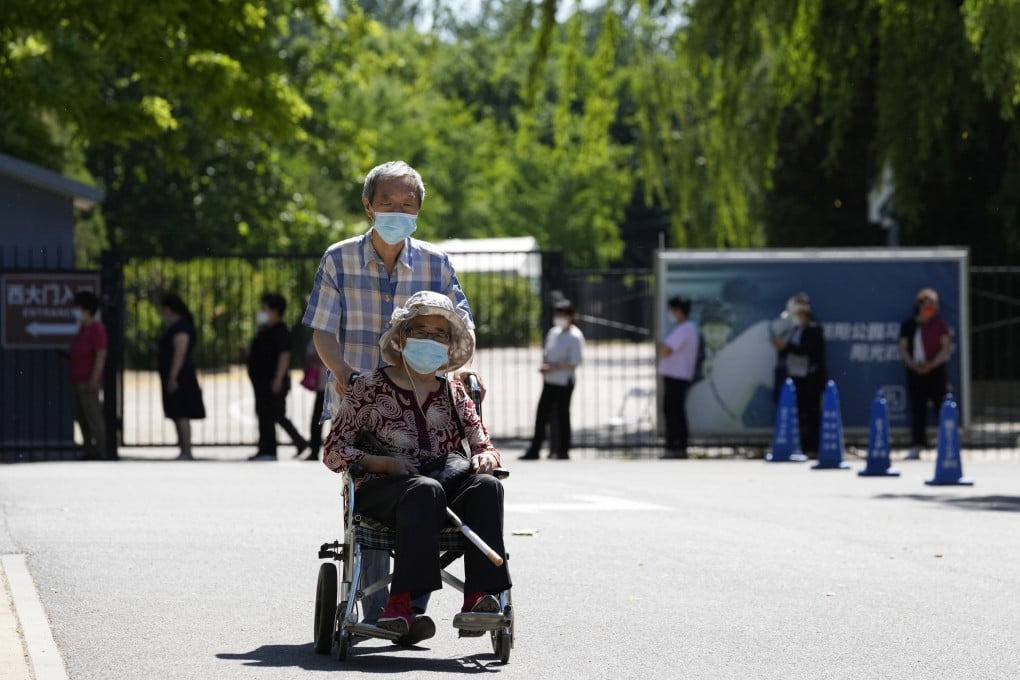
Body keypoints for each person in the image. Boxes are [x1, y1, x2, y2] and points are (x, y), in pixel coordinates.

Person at [302, 160, 479, 642]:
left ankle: (405, 603)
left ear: (419, 210)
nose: (397, 212)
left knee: (426, 486)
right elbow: (323, 327)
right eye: (388, 203)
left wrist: (453, 379)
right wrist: (342, 375)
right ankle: (381, 604)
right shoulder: (338, 259)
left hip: (424, 405)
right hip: (361, 404)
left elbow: (462, 328)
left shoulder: (436, 265)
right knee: (371, 503)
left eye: (408, 205)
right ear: (368, 206)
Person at [322, 291, 510, 637]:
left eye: (441, 334)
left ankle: (481, 597)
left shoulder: (454, 392)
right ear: (402, 336)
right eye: (422, 331)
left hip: (443, 487)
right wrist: (380, 463)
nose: (432, 340)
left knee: (487, 485)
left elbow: (484, 444)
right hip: (385, 493)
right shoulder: (368, 388)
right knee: (424, 490)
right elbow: (333, 451)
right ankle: (402, 605)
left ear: (450, 344)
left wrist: (485, 455)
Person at [520, 299, 584, 460]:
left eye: (562, 314)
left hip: (564, 381)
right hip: (550, 380)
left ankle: (563, 449)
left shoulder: (575, 336)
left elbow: (575, 361)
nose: (558, 318)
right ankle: (535, 449)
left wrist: (553, 367)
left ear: (569, 316)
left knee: (563, 415)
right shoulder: (554, 332)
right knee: (542, 415)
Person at [247, 292, 308, 461]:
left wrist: (278, 378)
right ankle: (292, 443)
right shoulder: (265, 329)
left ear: (274, 311)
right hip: (262, 380)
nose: (262, 311)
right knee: (268, 413)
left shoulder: (280, 330)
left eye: (265, 308)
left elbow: (284, 356)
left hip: (272, 380)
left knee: (272, 414)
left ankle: (269, 449)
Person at [898, 287, 953, 460]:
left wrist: (931, 365)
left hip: (935, 371)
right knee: (918, 409)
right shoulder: (909, 324)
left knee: (941, 407)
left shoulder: (940, 325)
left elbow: (945, 348)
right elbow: (903, 348)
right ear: (920, 305)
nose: (933, 307)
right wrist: (913, 365)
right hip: (915, 372)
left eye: (935, 304)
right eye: (929, 303)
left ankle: (947, 443)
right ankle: (917, 445)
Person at [770, 293, 827, 458]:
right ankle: (800, 446)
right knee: (799, 414)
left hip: (810, 380)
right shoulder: (795, 330)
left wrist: (786, 346)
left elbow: (805, 350)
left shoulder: (815, 330)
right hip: (795, 378)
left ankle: (813, 448)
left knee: (812, 414)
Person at [158, 294, 206, 460]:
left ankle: (187, 449)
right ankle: (183, 449)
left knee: (182, 412)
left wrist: (173, 376)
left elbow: (180, 352)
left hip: (181, 376)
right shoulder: (176, 327)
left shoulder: (181, 327)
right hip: (175, 374)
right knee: (176, 412)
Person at [658, 295, 699, 459]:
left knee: (673, 412)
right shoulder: (688, 328)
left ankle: (675, 446)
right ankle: (677, 446)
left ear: (679, 311)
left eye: (673, 310)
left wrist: (661, 347)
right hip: (678, 375)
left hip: (677, 376)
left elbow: (665, 350)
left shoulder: (684, 329)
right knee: (674, 411)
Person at [68, 291, 107, 460]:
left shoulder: (97, 328)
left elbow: (100, 354)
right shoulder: (82, 329)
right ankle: (89, 449)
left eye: (77, 308)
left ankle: (100, 450)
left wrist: (94, 378)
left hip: (88, 380)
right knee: (81, 416)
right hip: (77, 379)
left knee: (93, 417)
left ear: (86, 309)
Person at [300, 338, 328, 461]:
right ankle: (315, 449)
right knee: (317, 420)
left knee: (321, 420)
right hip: (325, 385)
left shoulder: (320, 337)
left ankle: (317, 450)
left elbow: (314, 356)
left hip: (333, 384)